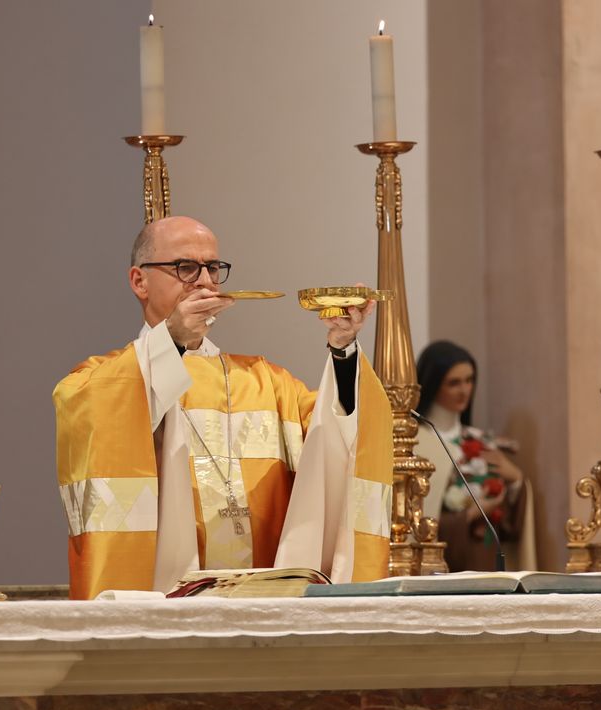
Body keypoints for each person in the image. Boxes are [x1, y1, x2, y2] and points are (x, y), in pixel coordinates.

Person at [53, 216, 393, 599]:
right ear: (139, 282)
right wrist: (173, 339)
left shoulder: (266, 382)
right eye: (185, 268)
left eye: (213, 268)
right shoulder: (100, 381)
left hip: (265, 607)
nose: (204, 281)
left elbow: (338, 445)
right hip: (164, 607)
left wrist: (343, 351)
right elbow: (105, 416)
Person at [415, 341, 533, 573]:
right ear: (432, 384)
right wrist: (469, 514)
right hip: (442, 565)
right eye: (454, 383)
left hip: (485, 559)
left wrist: (517, 480)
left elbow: (509, 526)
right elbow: (413, 522)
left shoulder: (478, 442)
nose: (464, 390)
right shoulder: (417, 443)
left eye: (469, 380)